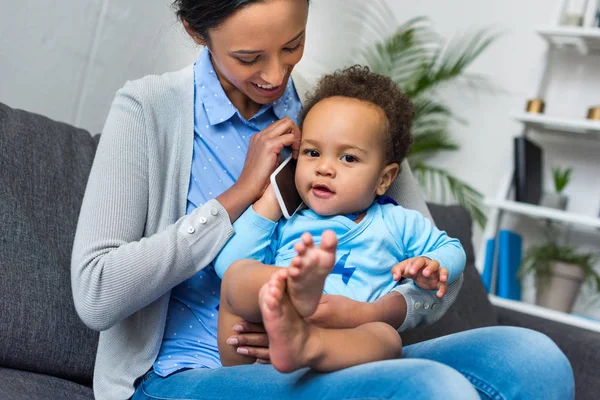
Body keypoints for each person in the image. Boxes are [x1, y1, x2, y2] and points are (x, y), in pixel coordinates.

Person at [70, 1, 574, 399]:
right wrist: (240, 195)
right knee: (428, 388)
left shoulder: (340, 116)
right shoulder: (148, 111)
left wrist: (363, 315)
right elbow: (96, 294)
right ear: (195, 31)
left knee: (533, 358)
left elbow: (435, 271)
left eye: (293, 45)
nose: (275, 76)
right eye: (249, 58)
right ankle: (293, 300)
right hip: (186, 373)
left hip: (334, 349)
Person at [213, 65, 467, 373]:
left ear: (384, 179)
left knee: (386, 338)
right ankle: (297, 293)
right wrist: (269, 200)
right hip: (256, 355)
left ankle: (308, 344)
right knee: (238, 273)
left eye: (348, 158)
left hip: (340, 348)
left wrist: (433, 264)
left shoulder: (396, 222)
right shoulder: (289, 220)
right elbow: (227, 267)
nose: (324, 168)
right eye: (312, 153)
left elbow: (453, 249)